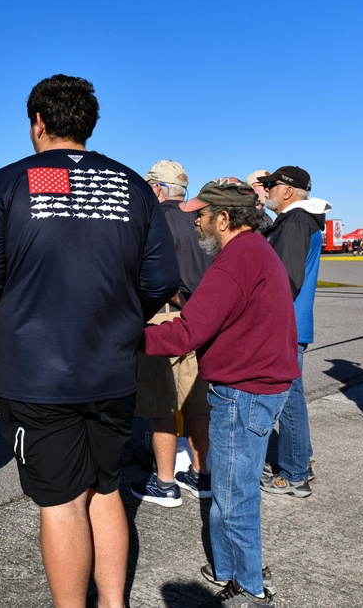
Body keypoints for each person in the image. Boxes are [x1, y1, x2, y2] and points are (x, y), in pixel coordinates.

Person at [0, 74, 179, 608]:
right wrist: (124, 318)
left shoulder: (9, 183)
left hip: (38, 373)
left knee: (59, 503)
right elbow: (161, 279)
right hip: (112, 367)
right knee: (105, 492)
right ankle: (113, 602)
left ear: (38, 123)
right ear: (89, 123)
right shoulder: (131, 185)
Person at [142, 177, 298, 608]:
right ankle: (228, 568)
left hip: (243, 391)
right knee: (230, 487)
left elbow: (188, 330)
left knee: (234, 494)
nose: (197, 224)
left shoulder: (236, 260)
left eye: (203, 216)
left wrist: (127, 339)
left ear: (224, 218)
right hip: (257, 386)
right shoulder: (254, 252)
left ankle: (250, 586)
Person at [130, 160, 213, 507]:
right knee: (197, 401)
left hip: (165, 317)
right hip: (202, 318)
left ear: (158, 188)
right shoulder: (201, 221)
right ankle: (201, 473)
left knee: (161, 402)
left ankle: (165, 483)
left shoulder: (155, 218)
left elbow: (148, 273)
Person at [256, 166, 332, 497]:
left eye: (270, 185)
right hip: (292, 322)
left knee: (287, 399)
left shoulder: (296, 221)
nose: (267, 190)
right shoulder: (298, 219)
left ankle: (294, 472)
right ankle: (299, 461)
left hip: (285, 323)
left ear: (287, 190)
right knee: (290, 396)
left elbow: (284, 280)